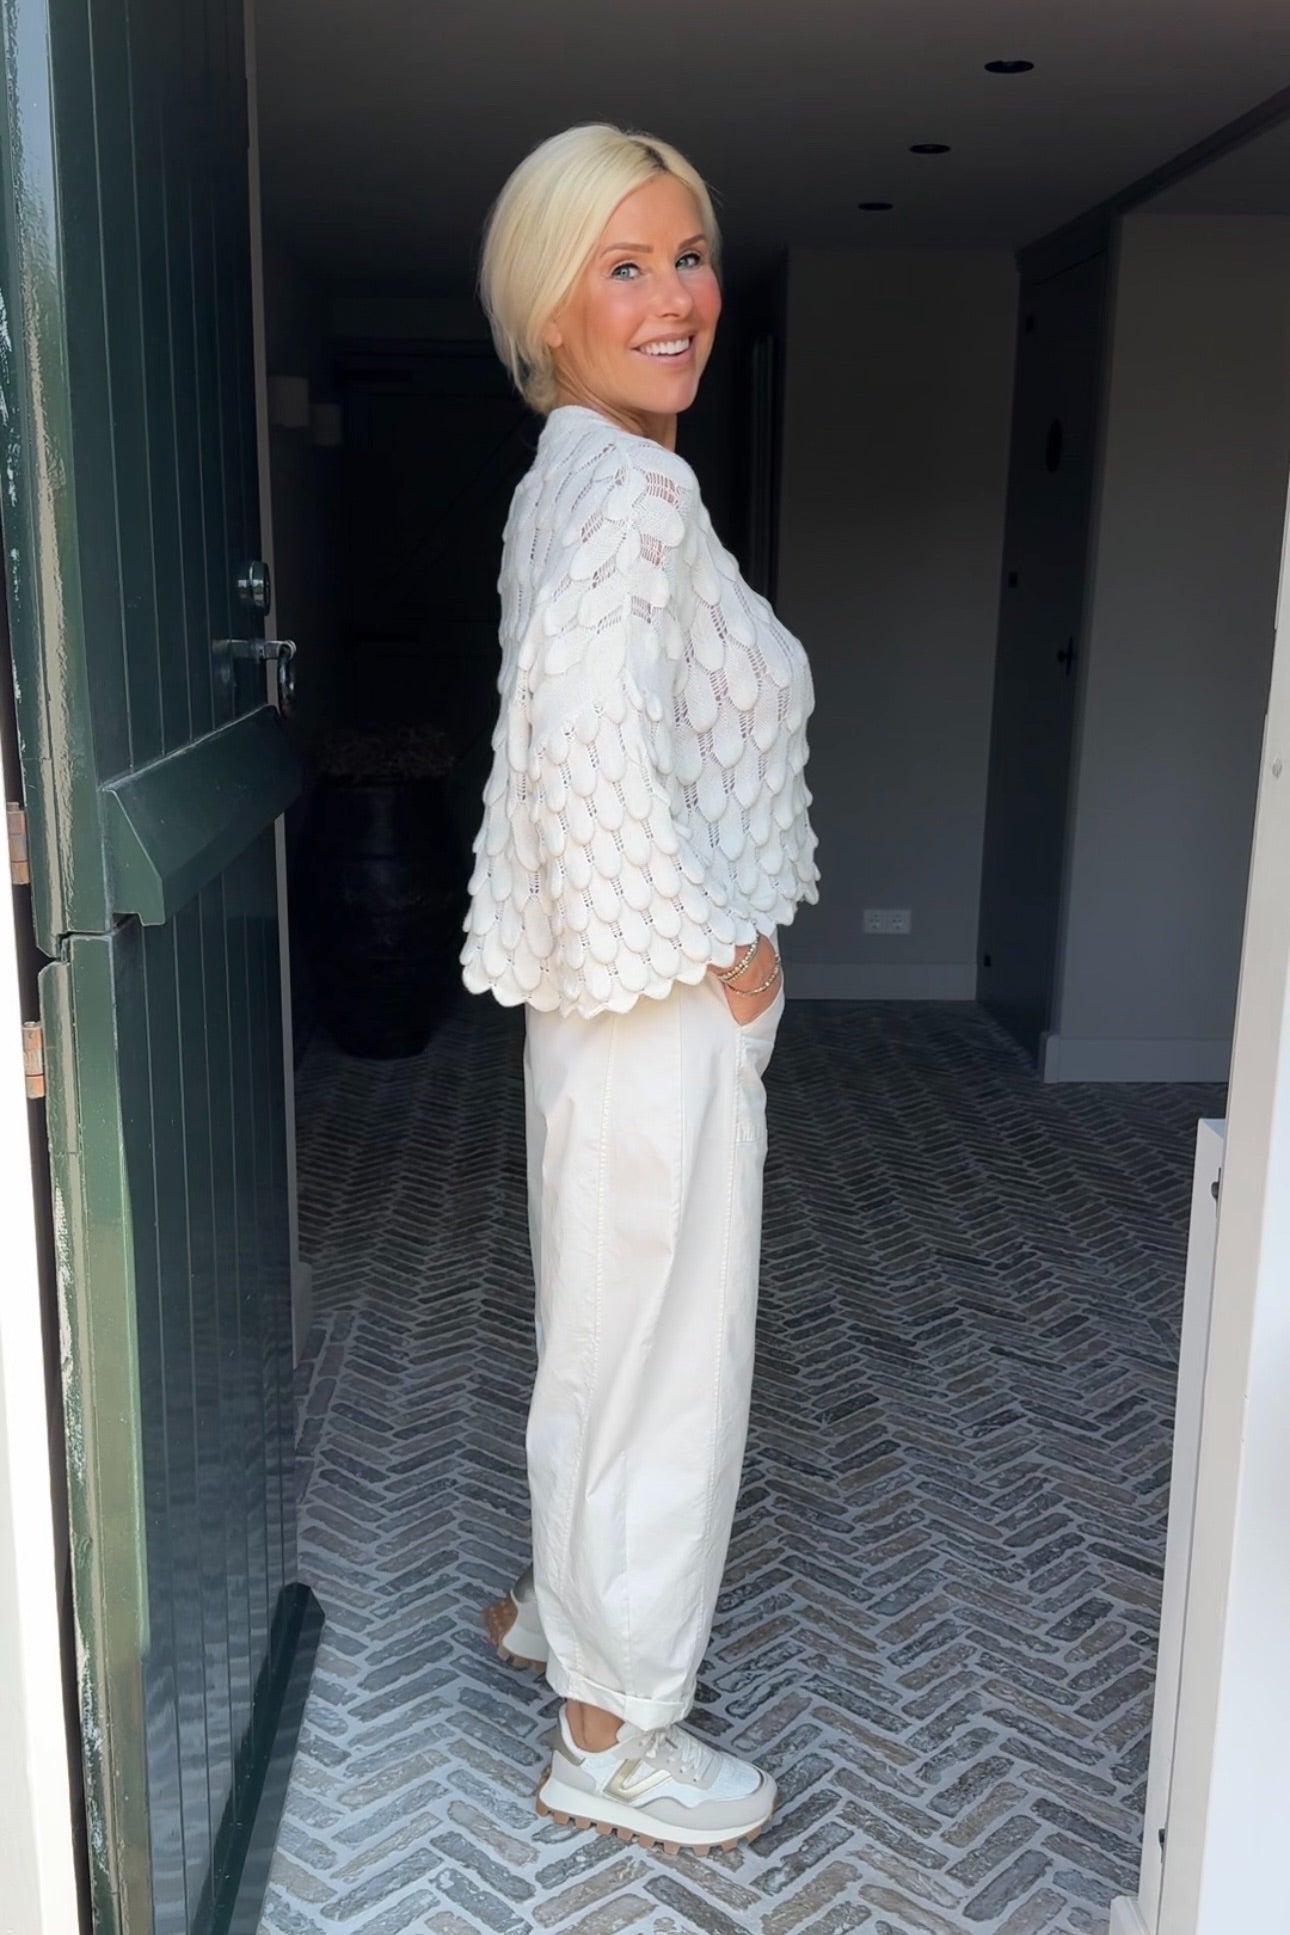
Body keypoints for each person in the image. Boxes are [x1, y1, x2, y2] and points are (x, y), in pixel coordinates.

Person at [462, 123, 819, 1855]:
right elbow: (586, 755)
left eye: (687, 256)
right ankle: (614, 1738)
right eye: (624, 266)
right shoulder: (635, 494)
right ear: (551, 306)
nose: (675, 296)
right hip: (656, 988)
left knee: (602, 1334)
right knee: (669, 1371)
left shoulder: (571, 470)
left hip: (604, 996)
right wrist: (729, 960)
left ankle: (564, 1612)